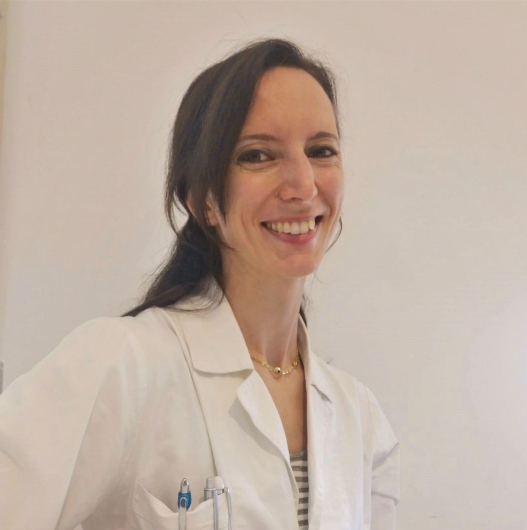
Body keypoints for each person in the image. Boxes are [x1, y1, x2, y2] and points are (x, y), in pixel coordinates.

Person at [0, 39, 399, 529]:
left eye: (321, 151)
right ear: (203, 199)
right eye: (258, 155)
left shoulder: (361, 419)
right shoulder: (123, 366)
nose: (303, 184)